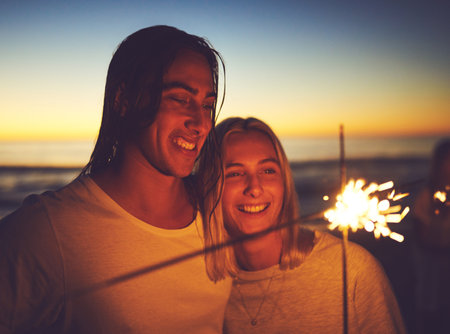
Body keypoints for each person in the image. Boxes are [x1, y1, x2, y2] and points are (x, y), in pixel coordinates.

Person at [0, 25, 231, 333]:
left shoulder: (216, 210)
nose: (201, 123)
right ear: (123, 99)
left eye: (207, 105)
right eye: (179, 98)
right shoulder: (48, 232)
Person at [197, 117, 406, 333]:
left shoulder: (353, 269)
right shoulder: (200, 281)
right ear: (209, 185)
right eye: (235, 173)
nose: (254, 188)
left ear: (285, 182)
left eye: (268, 171)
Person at [411, 139, 450, 334]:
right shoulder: (427, 195)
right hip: (432, 263)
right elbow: (421, 234)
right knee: (430, 309)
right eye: (448, 161)